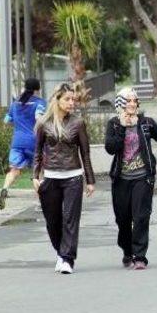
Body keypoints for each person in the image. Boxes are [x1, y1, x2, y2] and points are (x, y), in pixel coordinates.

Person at [105, 88, 157, 270]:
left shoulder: (146, 123)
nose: (133, 104)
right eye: (128, 101)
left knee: (141, 217)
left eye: (135, 101)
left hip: (143, 177)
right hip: (121, 179)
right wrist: (122, 127)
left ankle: (140, 256)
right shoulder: (113, 124)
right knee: (123, 219)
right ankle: (127, 251)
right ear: (121, 104)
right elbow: (110, 148)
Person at [33, 83, 95, 274]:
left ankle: (67, 259)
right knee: (52, 221)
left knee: (70, 218)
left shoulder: (78, 123)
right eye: (67, 99)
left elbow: (85, 152)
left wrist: (90, 180)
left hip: (73, 178)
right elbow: (37, 152)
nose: (71, 103)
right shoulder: (44, 123)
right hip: (50, 178)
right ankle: (60, 253)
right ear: (57, 100)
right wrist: (34, 176)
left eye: (73, 99)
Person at [0, 78, 47, 210]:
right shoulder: (40, 102)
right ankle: (42, 203)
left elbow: (6, 120)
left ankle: (4, 189)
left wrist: (19, 124)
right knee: (38, 173)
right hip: (34, 142)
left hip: (17, 142)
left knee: (14, 170)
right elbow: (38, 118)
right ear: (37, 89)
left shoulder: (15, 103)